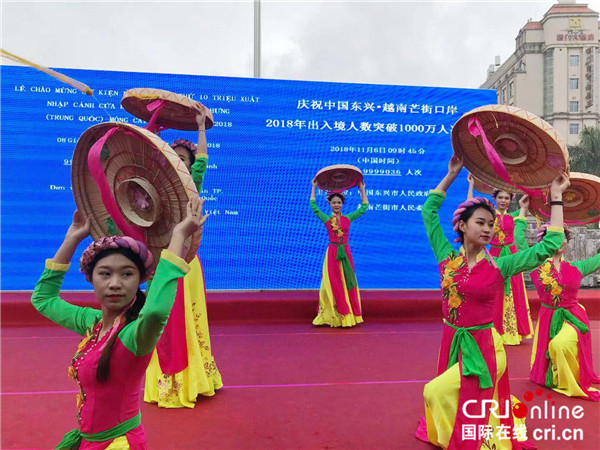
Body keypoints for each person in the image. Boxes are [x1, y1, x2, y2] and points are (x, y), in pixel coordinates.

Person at [416, 156, 568, 449]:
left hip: (484, 347)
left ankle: (470, 442)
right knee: (453, 398)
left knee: (435, 392)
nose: (487, 229)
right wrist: (450, 175)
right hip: (452, 341)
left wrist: (557, 198)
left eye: (491, 224)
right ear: (461, 225)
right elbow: (428, 212)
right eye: (480, 223)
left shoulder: (500, 266)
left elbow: (548, 246)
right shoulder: (447, 258)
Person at [31, 198, 207, 449]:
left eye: (127, 274)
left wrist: (178, 236)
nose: (115, 283)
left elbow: (156, 312)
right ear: (91, 279)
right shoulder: (93, 324)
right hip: (88, 441)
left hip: (119, 443)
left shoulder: (135, 335)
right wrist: (72, 239)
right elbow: (43, 299)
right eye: (105, 273)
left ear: (140, 281)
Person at [145, 110, 223, 408]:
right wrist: (152, 127)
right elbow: (145, 154)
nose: (178, 160)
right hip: (159, 262)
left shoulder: (192, 185)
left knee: (187, 319)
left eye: (183, 158)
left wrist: (201, 127)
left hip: (185, 263)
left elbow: (202, 160)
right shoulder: (155, 188)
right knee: (160, 319)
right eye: (173, 156)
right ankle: (166, 380)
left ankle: (192, 378)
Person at [514, 195, 600, 401]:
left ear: (567, 241)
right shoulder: (536, 266)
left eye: (563, 236)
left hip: (573, 318)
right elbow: (520, 243)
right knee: (553, 348)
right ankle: (557, 377)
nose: (560, 241)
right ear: (545, 242)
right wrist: (522, 211)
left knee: (560, 344)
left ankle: (570, 380)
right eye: (555, 237)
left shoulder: (577, 268)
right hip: (548, 318)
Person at [467, 175, 532, 345]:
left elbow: (525, 212)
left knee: (515, 292)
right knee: (495, 294)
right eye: (500, 197)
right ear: (494, 198)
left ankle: (513, 332)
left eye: (506, 198)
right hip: (494, 257)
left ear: (511, 200)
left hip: (512, 256)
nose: (503, 201)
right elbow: (471, 211)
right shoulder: (489, 217)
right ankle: (494, 331)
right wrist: (471, 186)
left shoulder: (516, 215)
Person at [309, 180, 368, 327]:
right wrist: (313, 187)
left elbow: (364, 207)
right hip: (332, 254)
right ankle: (334, 315)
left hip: (346, 254)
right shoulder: (327, 219)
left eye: (339, 202)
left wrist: (362, 190)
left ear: (342, 204)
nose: (336, 205)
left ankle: (349, 316)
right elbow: (314, 207)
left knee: (347, 282)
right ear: (329, 204)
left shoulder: (348, 219)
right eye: (334, 202)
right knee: (334, 283)